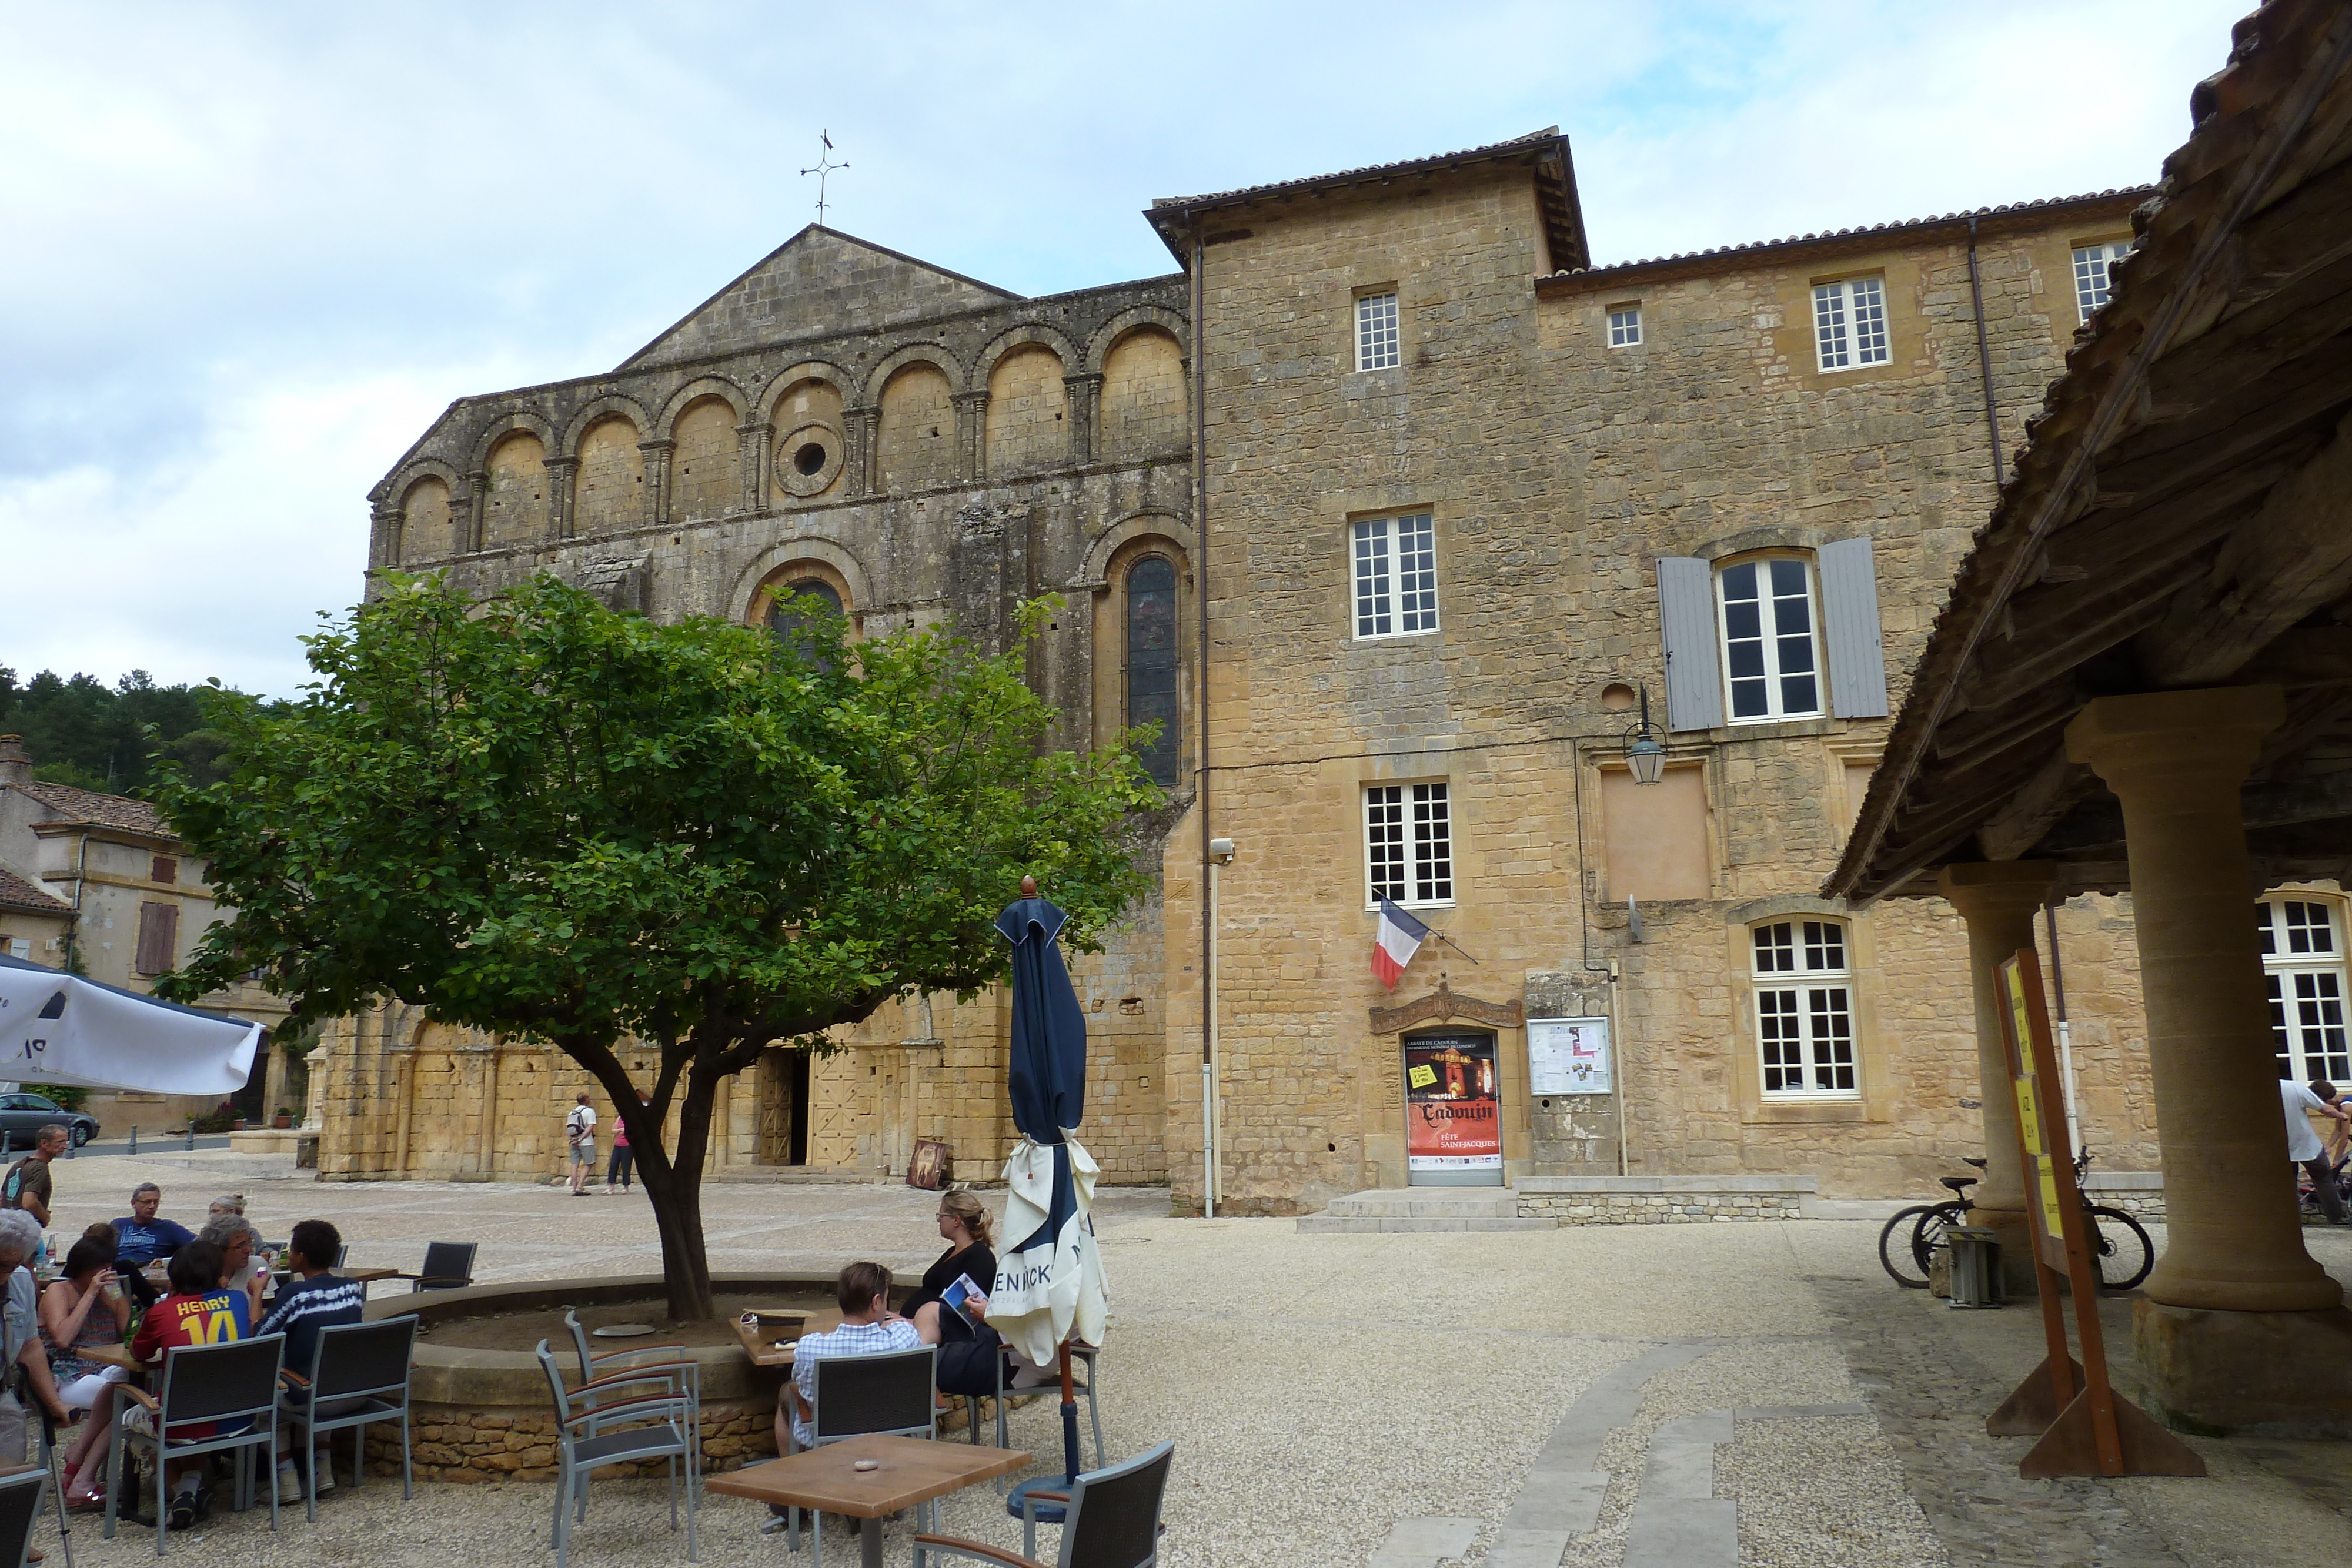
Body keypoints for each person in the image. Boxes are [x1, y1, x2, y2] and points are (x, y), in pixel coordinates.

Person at [761, 1262, 921, 1537]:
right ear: (876, 1302)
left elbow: (802, 1385)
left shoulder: (812, 1346)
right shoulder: (903, 1339)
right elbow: (906, 1330)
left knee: (787, 1391)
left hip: (831, 1437)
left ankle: (794, 1498)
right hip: (890, 1434)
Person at [129, 1239, 252, 1530]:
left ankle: (181, 1494)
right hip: (238, 1415)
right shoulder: (237, 1300)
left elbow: (138, 1353)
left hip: (182, 1421)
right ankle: (189, 1491)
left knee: (129, 1418)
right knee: (197, 1408)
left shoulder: (162, 1312)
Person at [258, 1219, 366, 1503]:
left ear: (301, 1257)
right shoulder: (352, 1289)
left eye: (292, 1250)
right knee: (326, 1373)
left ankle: (287, 1479)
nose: (289, 1255)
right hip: (355, 1392)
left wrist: (256, 1292)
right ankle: (322, 1472)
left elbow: (261, 1337)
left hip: (318, 1397)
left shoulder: (295, 1294)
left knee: (266, 1403)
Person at [40, 1234, 130, 1506]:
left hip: (105, 1369)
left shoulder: (110, 1293)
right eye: (101, 1267)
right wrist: (90, 1294)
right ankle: (81, 1476)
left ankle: (78, 1462)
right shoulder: (60, 1291)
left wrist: (118, 1298)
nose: (106, 1273)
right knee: (128, 1401)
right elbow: (63, 1339)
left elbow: (129, 1335)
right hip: (69, 1375)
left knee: (129, 1393)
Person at [903, 1190, 1007, 1399]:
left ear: (956, 1220)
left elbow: (966, 1306)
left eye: (941, 1216)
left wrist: (913, 1319)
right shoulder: (952, 1253)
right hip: (924, 1322)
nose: (939, 1221)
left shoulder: (980, 1257)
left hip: (950, 1334)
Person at [0, 1209, 72, 1473]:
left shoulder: (21, 1282)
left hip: (2, 1395)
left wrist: (54, 1403)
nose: (4, 1275)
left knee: (11, 1478)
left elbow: (30, 1348)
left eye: (10, 1265)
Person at [2284, 1077, 2350, 1225]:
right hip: (2308, 1146)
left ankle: (2295, 1221)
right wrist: (2336, 1160)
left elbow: (2338, 1132)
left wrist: (2329, 1147)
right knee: (2324, 1179)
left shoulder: (2268, 1091)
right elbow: (2329, 1114)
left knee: (2289, 1184)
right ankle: (2336, 1217)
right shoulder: (2296, 1087)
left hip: (2285, 1146)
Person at [198, 1213, 269, 1323]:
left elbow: (266, 1319)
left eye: (249, 1242)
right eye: (239, 1246)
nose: (249, 1250)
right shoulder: (199, 1275)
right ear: (218, 1250)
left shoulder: (258, 1266)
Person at [113, 1183, 196, 1266]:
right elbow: (102, 1250)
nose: (152, 1206)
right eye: (147, 1202)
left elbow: (200, 1246)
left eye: (156, 1202)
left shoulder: (168, 1228)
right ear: (134, 1203)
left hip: (148, 1271)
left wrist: (167, 1261)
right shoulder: (118, 1225)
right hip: (118, 1270)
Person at [607, 1095, 645, 1194]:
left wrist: (624, 1131)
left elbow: (633, 1130)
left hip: (627, 1145)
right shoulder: (619, 1119)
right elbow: (612, 1130)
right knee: (613, 1165)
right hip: (618, 1144)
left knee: (626, 1166)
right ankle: (611, 1186)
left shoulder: (632, 1119)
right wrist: (620, 1130)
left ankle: (626, 1186)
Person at [566, 1094, 597, 1196]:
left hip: (573, 1141)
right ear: (586, 1100)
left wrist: (573, 1139)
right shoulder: (589, 1111)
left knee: (574, 1164)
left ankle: (574, 1188)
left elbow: (569, 1128)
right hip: (586, 1142)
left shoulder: (572, 1112)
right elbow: (591, 1126)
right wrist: (582, 1138)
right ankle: (580, 1186)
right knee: (588, 1163)